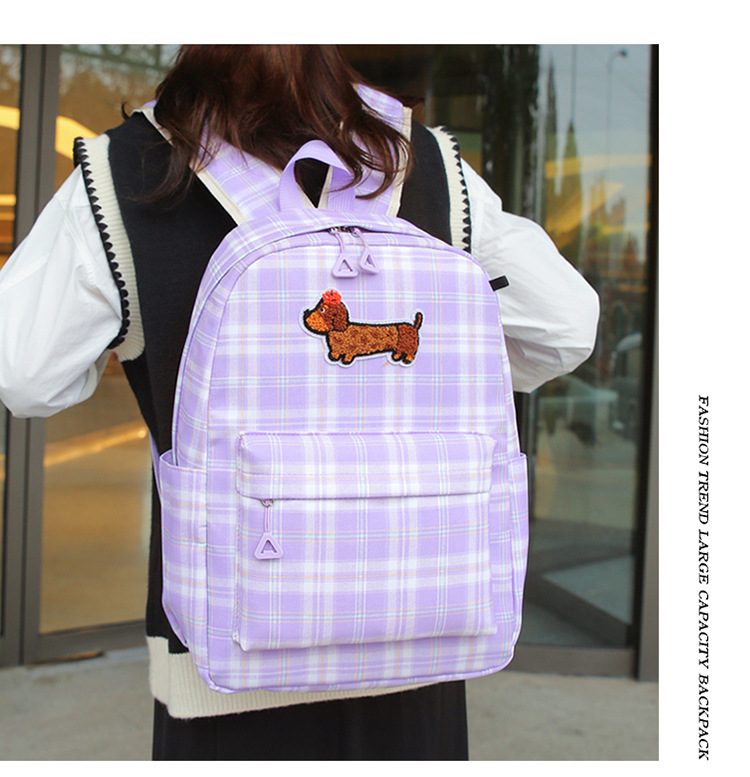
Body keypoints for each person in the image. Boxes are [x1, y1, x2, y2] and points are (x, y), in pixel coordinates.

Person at [0, 45, 599, 760]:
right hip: (421, 634)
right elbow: (567, 328)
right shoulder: (427, 164)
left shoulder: (124, 171)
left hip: (225, 664)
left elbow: (24, 371)